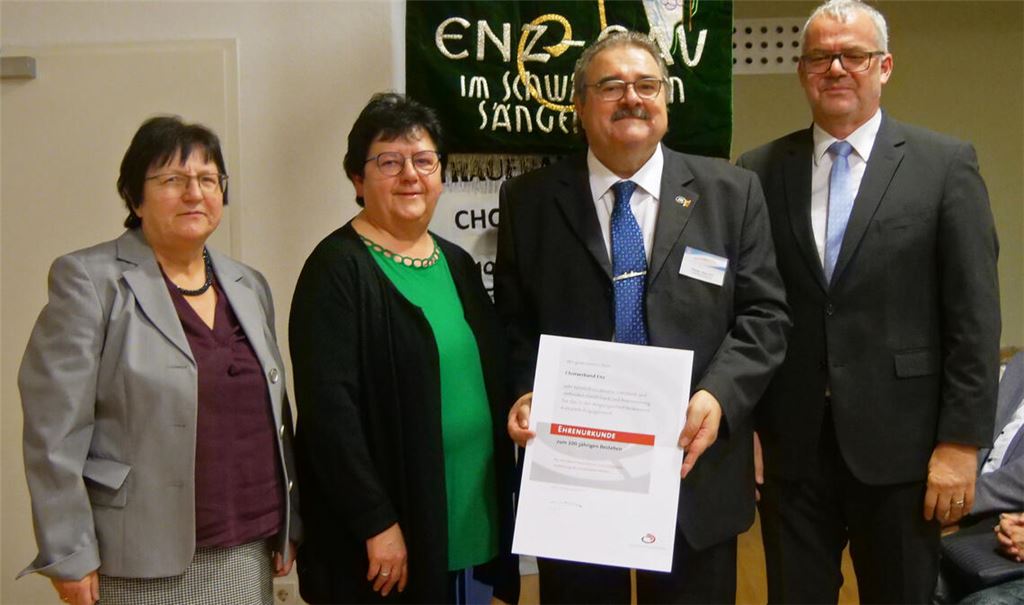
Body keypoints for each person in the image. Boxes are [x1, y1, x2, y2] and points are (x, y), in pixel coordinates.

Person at [495, 31, 790, 604]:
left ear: (665, 100)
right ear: (578, 104)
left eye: (647, 84)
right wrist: (528, 390)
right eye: (611, 86)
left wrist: (719, 397)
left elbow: (766, 317)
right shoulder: (528, 200)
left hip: (693, 470)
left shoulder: (731, 192)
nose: (632, 97)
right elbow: (513, 323)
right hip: (578, 477)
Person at [737, 0, 1001, 602]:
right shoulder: (758, 171)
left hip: (906, 451)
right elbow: (748, 309)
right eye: (821, 57)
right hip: (792, 450)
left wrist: (961, 445)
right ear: (802, 71)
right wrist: (745, 426)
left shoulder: (943, 165)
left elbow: (974, 316)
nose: (836, 68)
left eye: (853, 55)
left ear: (883, 67)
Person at [18, 116, 300, 605]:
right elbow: (53, 431)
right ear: (134, 196)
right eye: (172, 179)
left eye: (208, 179)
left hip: (249, 543)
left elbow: (277, 414)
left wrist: (290, 520)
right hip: (139, 553)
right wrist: (68, 550)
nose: (195, 193)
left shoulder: (247, 284)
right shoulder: (89, 280)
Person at [288, 92, 519, 604]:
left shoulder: (456, 263)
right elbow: (330, 418)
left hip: (469, 511)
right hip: (390, 533)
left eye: (423, 160)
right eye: (389, 162)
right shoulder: (336, 271)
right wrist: (376, 521)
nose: (410, 175)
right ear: (356, 179)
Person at [935, 351, 1024, 603]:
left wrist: (958, 500)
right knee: (914, 577)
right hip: (993, 523)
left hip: (1002, 515)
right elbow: (981, 436)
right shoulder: (1019, 364)